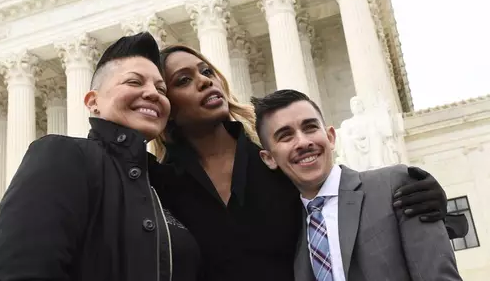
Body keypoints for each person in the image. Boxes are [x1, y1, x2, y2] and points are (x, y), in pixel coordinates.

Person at [149, 44, 463, 281]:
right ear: (167, 104)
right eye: (184, 80)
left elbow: (343, 200)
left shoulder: (274, 153)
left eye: (206, 71)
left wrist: (422, 196)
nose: (205, 82)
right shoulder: (160, 186)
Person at [0, 32, 200, 281]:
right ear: (93, 102)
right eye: (134, 82)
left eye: (161, 88)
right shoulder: (63, 157)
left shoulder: (164, 187)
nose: (153, 93)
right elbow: (19, 270)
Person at [251, 89, 462, 281]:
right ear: (269, 158)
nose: (303, 142)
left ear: (331, 137)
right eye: (286, 136)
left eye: (310, 128)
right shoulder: (283, 229)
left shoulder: (394, 186)